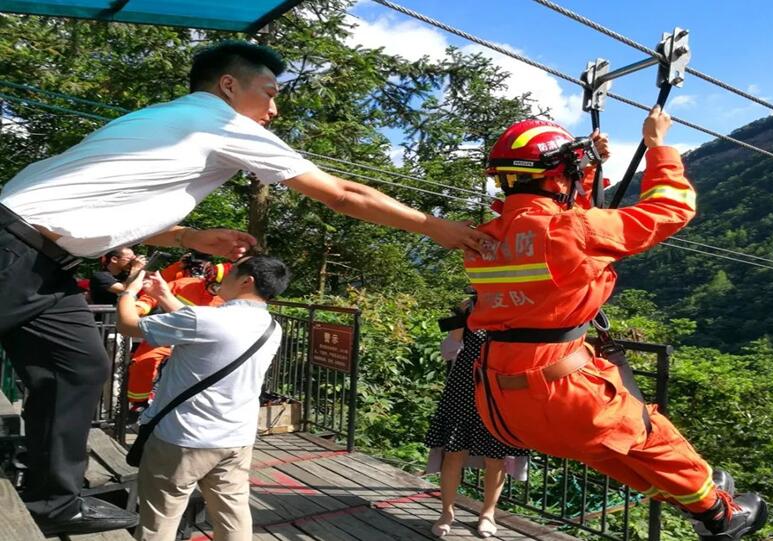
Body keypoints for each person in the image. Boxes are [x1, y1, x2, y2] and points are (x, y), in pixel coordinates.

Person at [0, 40, 490, 535]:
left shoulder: (164, 123)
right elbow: (343, 194)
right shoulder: (219, 120)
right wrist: (435, 227)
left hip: (46, 262)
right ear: (229, 86)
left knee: (79, 367)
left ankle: (53, 500)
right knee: (75, 368)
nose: (274, 110)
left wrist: (190, 237)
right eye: (269, 93)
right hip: (13, 246)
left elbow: (110, 210)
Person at [464, 108, 767, 541]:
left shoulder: (484, 239)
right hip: (564, 393)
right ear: (558, 177)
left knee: (610, 450)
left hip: (501, 402)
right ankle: (720, 514)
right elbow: (671, 208)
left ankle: (688, 495)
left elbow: (557, 231)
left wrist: (586, 170)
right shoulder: (574, 230)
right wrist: (658, 145)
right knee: (650, 437)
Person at [115, 255, 288, 541]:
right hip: (236, 439)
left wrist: (128, 292)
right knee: (233, 518)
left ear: (247, 281)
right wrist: (165, 295)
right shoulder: (272, 327)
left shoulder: (206, 319)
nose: (223, 277)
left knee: (159, 521)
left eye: (231, 272)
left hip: (183, 439)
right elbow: (201, 325)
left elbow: (127, 324)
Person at [425, 300, 528, 538]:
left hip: (499, 390)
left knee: (496, 457)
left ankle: (488, 514)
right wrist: (461, 317)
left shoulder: (517, 309)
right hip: (464, 390)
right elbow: (448, 351)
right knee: (453, 453)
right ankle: (446, 513)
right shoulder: (471, 308)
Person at [126, 261, 231, 410]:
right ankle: (139, 404)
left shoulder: (230, 301)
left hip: (201, 344)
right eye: (216, 287)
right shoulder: (185, 284)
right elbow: (153, 295)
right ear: (208, 280)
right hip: (169, 336)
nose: (219, 292)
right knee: (143, 362)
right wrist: (139, 308)